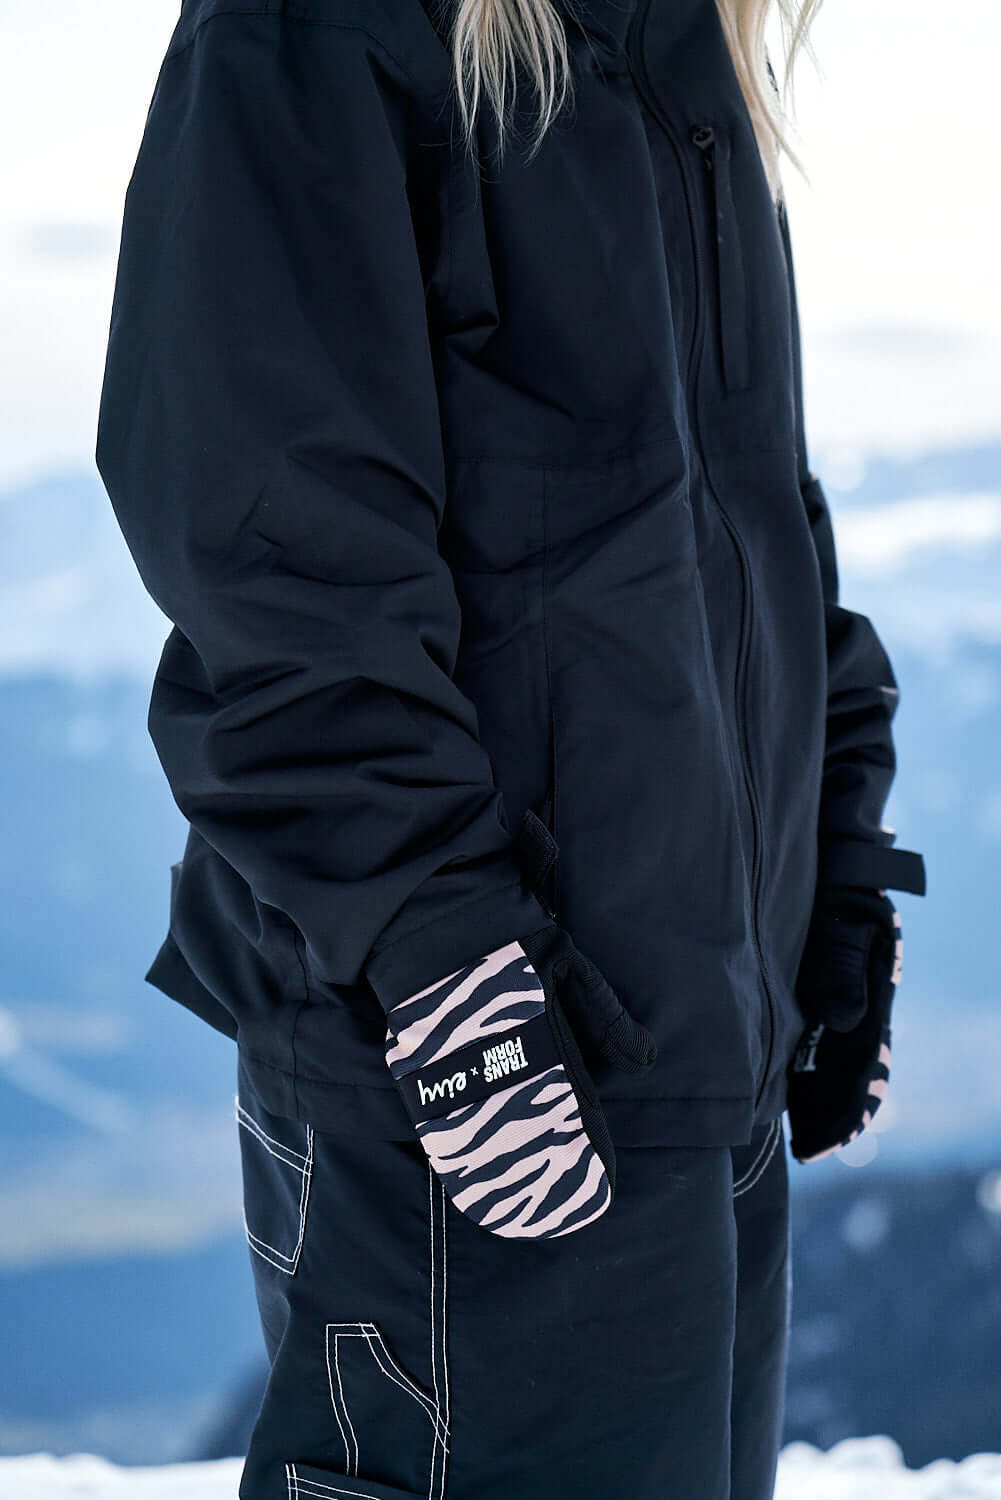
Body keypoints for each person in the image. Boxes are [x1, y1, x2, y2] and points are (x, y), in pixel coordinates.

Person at [95, 0, 927, 1494]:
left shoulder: (674, 36)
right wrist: (449, 971)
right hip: (469, 1080)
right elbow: (275, 557)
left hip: (699, 1074)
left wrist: (832, 868)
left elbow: (741, 511)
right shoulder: (317, 28)